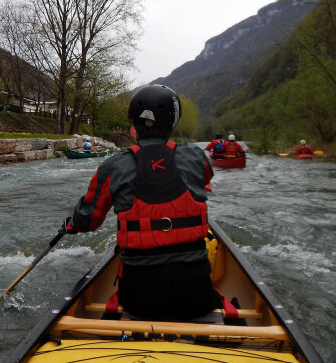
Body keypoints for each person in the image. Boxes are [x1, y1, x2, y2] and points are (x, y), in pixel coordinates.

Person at [61, 84, 222, 320]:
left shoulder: (112, 166)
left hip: (138, 298)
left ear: (133, 126)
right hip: (196, 293)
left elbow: (88, 219)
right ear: (172, 123)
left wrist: (72, 224)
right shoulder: (196, 156)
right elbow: (205, 179)